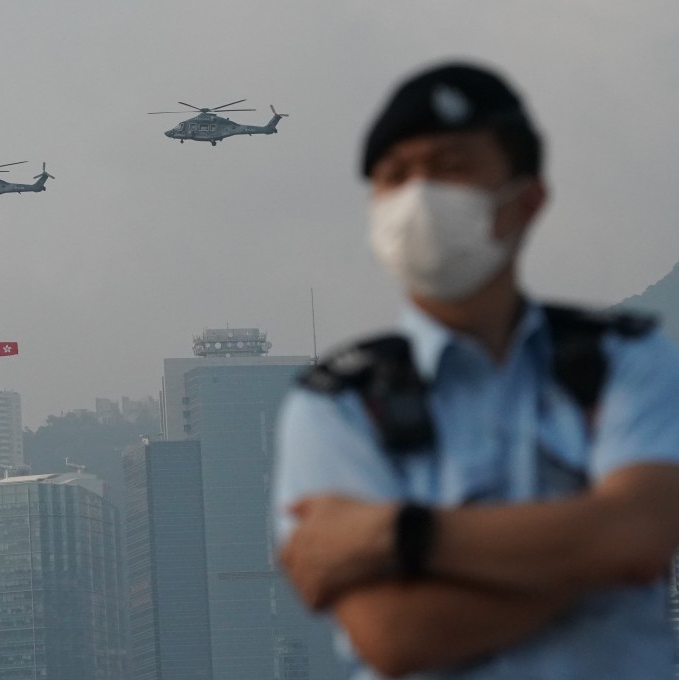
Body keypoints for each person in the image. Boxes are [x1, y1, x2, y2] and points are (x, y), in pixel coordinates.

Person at [272, 61, 679, 679]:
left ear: (527, 199)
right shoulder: (336, 406)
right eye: (395, 176)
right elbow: (392, 634)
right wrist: (592, 556)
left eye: (451, 168)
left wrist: (398, 535)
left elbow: (642, 534)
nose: (420, 197)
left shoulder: (629, 362)